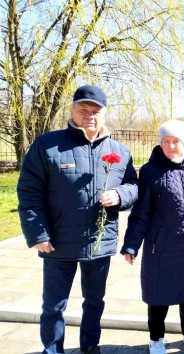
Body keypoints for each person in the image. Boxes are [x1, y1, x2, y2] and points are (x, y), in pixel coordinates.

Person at [17, 85, 139, 354]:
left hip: (99, 241)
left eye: (96, 111)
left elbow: (133, 185)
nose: (90, 115)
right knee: (53, 306)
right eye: (83, 109)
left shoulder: (120, 151)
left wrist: (120, 194)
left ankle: (90, 346)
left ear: (104, 114)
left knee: (95, 302)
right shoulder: (47, 145)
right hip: (58, 242)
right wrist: (37, 234)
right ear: (72, 110)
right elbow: (29, 192)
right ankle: (52, 350)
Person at [120, 120, 184, 354]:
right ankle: (156, 338)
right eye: (166, 142)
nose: (171, 146)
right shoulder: (151, 171)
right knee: (159, 294)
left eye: (176, 141)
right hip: (161, 244)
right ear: (160, 143)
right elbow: (141, 210)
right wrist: (131, 245)